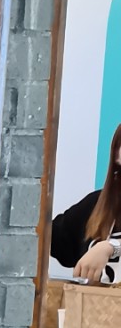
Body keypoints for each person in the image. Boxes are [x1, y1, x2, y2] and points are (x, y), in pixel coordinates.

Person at [52, 121, 121, 283]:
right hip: (91, 299)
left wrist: (110, 247)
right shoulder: (98, 204)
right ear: (117, 158)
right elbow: (52, 238)